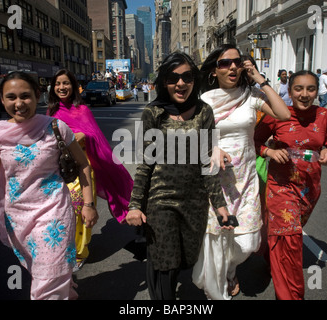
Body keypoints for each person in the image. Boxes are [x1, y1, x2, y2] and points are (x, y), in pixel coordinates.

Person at [0, 71, 98, 300]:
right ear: (1, 99)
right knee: (43, 272)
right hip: (18, 218)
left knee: (46, 284)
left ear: (37, 95)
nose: (19, 103)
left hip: (55, 213)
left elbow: (83, 165)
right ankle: (66, 292)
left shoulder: (56, 127)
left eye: (25, 96)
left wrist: (88, 203)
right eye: (11, 97)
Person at [125, 52, 230, 300]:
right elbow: (145, 164)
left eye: (186, 77)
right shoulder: (154, 113)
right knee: (166, 262)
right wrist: (135, 205)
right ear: (164, 81)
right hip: (161, 200)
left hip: (194, 201)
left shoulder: (204, 112)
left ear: (195, 80)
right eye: (173, 78)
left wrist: (220, 205)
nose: (180, 84)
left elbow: (208, 161)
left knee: (185, 258)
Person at [192, 43, 291, 300]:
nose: (232, 67)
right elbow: (193, 139)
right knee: (217, 238)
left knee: (247, 242)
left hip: (246, 179)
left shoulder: (251, 96)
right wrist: (213, 149)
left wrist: (261, 79)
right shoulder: (204, 101)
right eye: (225, 63)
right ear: (214, 70)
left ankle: (230, 267)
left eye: (237, 62)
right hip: (215, 180)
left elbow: (283, 114)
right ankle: (221, 280)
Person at [254, 70, 327, 300]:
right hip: (280, 186)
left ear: (317, 91)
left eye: (310, 89)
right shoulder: (277, 114)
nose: (304, 94)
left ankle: (269, 259)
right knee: (290, 239)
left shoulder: (324, 115)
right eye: (299, 89)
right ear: (290, 91)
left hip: (309, 189)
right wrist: (270, 151)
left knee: (284, 237)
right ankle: (291, 296)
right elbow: (253, 141)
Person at [47, 69, 133, 270]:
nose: (62, 87)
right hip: (59, 168)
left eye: (66, 83)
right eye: (58, 84)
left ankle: (79, 251)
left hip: (82, 167)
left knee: (81, 207)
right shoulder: (51, 111)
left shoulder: (82, 110)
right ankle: (64, 246)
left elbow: (94, 135)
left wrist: (81, 136)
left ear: (73, 85)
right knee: (62, 210)